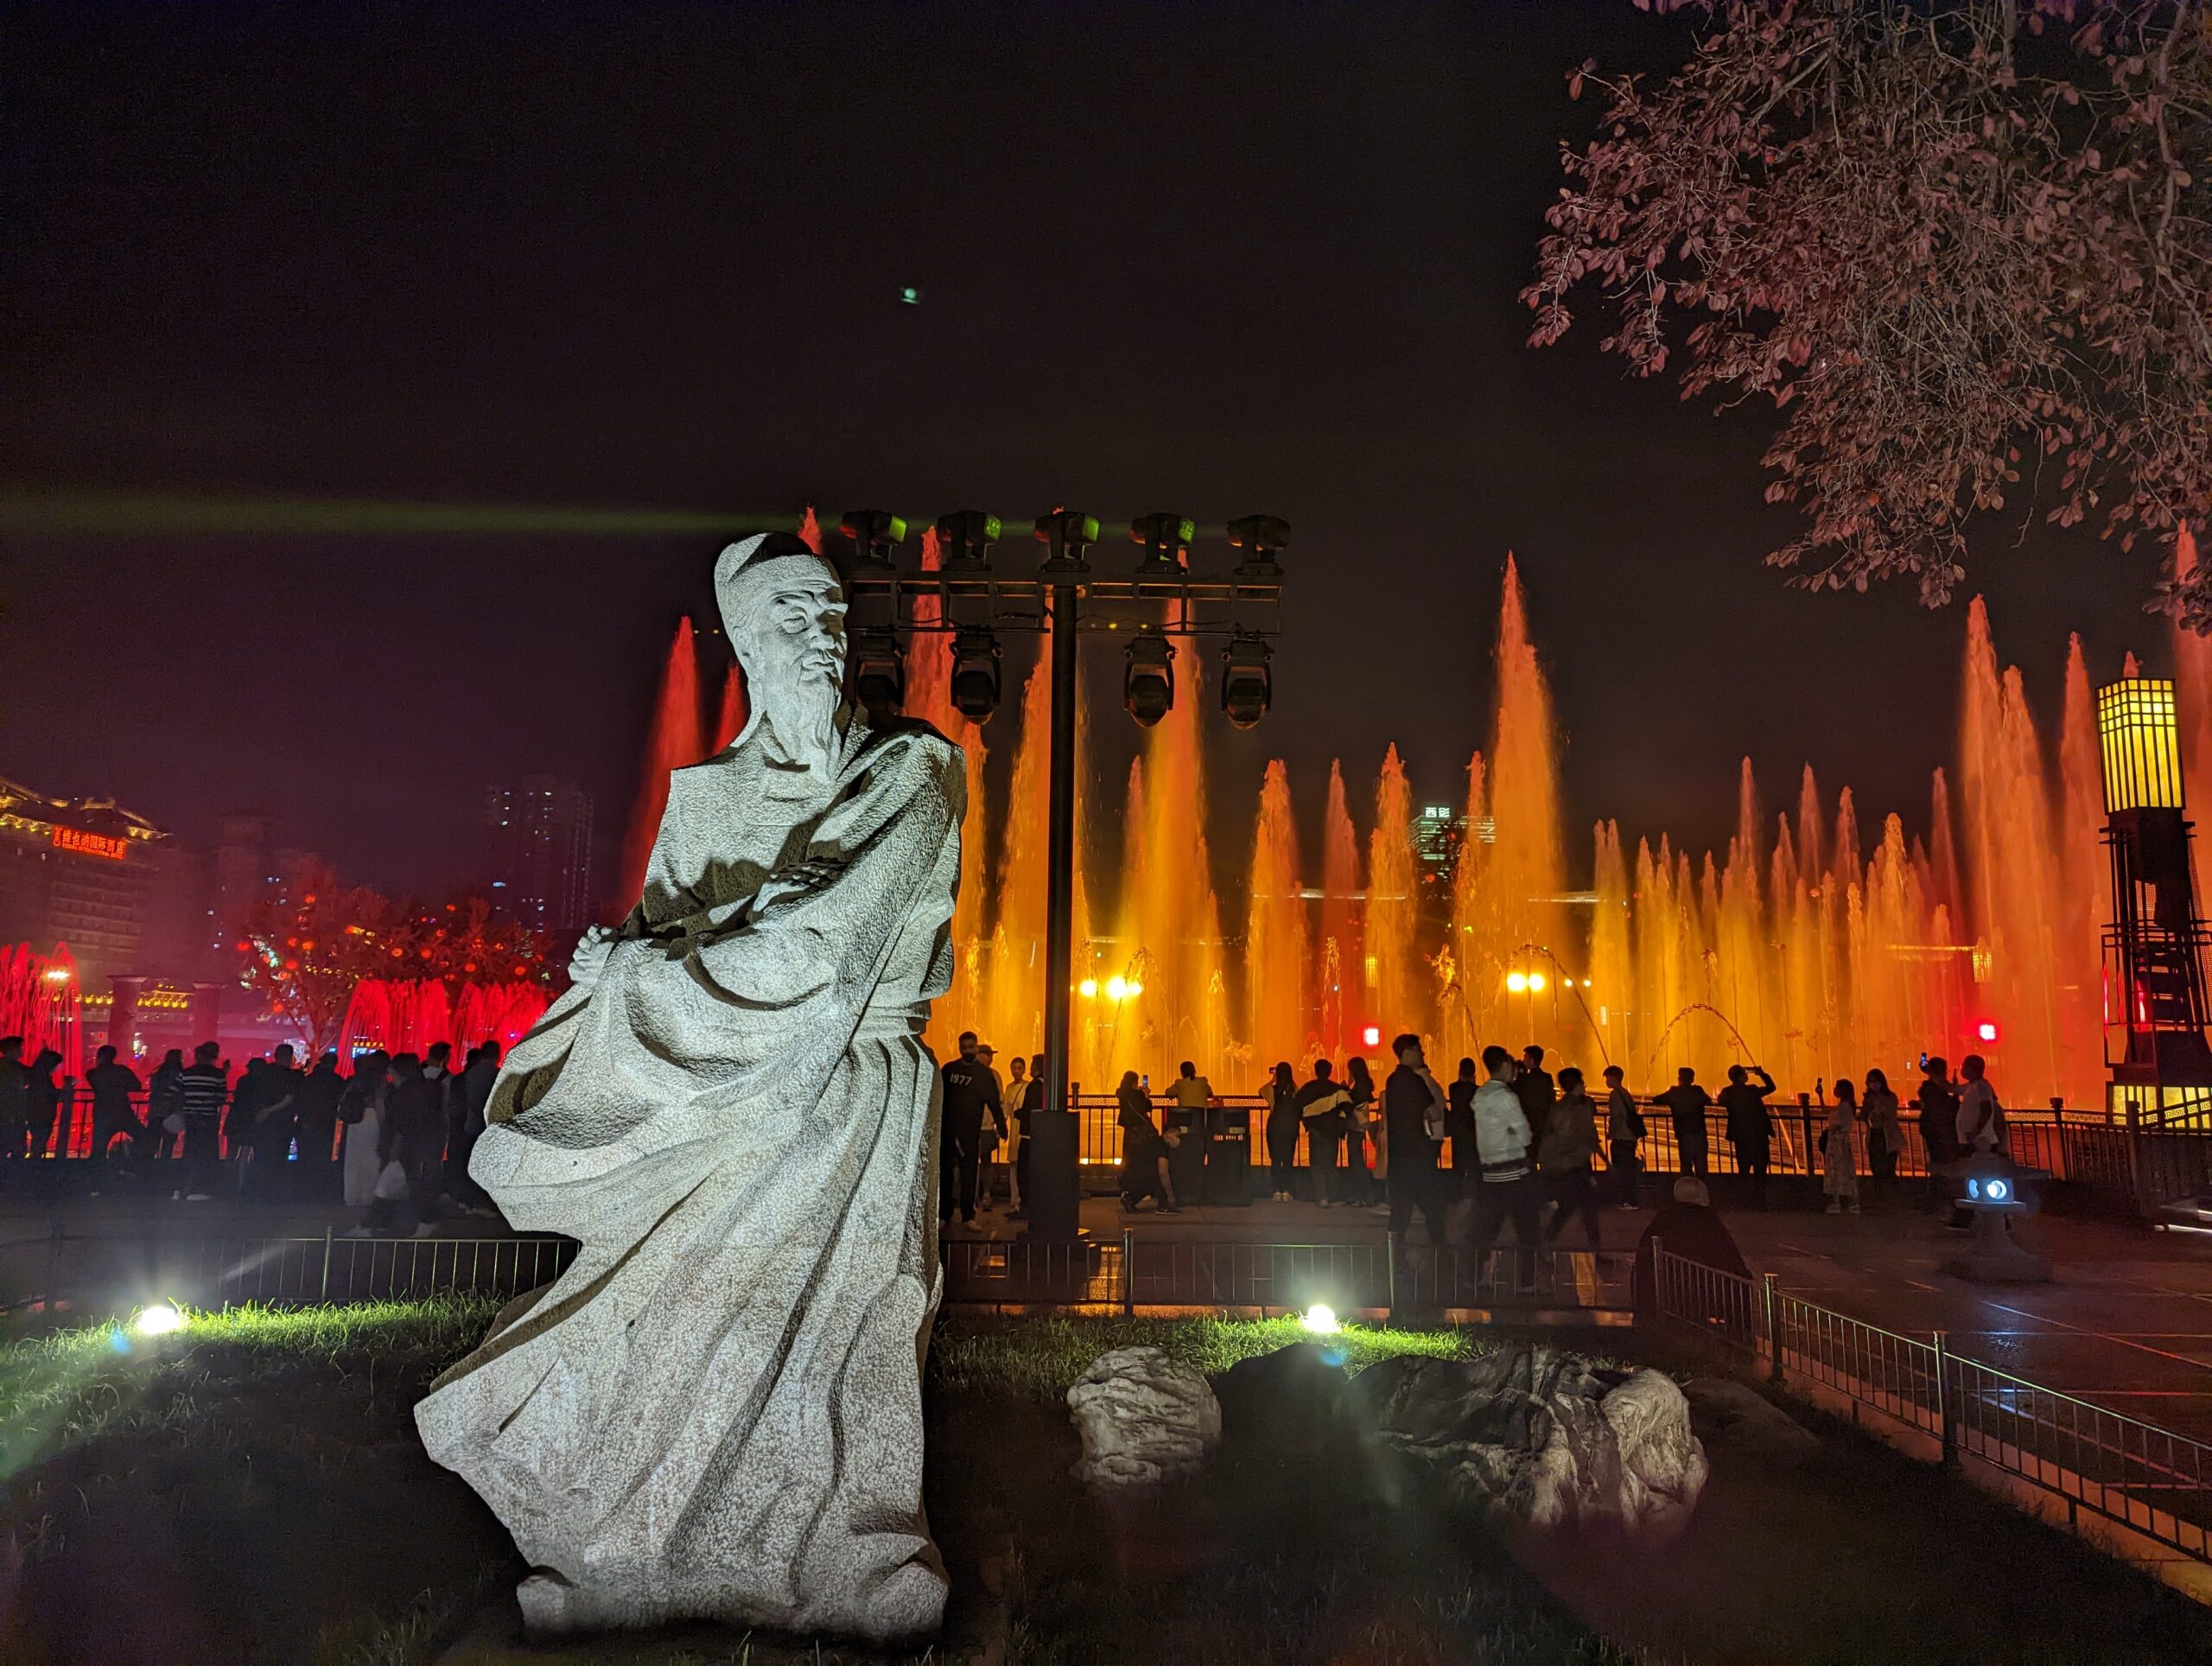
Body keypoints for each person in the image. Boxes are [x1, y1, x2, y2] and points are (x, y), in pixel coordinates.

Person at [1467, 1045, 1541, 1295]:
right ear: (1505, 1066)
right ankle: (1527, 1283)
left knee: (1486, 1230)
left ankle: (1477, 1277)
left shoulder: (1481, 1094)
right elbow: (1525, 1135)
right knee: (1528, 1229)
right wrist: (1515, 1133)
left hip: (1489, 1174)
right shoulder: (1506, 1097)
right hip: (1514, 1174)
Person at [1631, 1175, 1753, 1324]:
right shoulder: (1706, 1220)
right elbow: (1728, 1258)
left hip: (1666, 1297)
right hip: (1699, 1297)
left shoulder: (1663, 1218)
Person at [1382, 1033, 1448, 1245]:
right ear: (1407, 1052)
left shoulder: (1392, 1081)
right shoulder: (1415, 1081)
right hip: (1418, 1157)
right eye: (1419, 1049)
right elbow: (1436, 1112)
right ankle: (1442, 1255)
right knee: (1434, 1209)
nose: (1423, 1053)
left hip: (1398, 1158)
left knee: (1400, 1214)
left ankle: (1394, 1260)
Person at [938, 1031, 1001, 1228]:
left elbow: (993, 1101)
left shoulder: (983, 1075)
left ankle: (968, 1216)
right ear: (959, 1048)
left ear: (976, 1047)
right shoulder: (948, 1070)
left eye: (971, 1047)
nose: (968, 1051)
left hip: (970, 1133)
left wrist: (1002, 1125)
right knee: (945, 1175)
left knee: (969, 1176)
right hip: (947, 1131)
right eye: (964, 1048)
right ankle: (944, 1214)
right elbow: (937, 1097)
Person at [1539, 1065, 1604, 1248]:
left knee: (1571, 1204)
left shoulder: (1558, 1107)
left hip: (1561, 1163)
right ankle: (1593, 1242)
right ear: (1577, 1085)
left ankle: (1548, 1238)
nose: (1584, 1085)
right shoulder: (1579, 1108)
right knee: (1584, 1203)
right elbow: (1589, 1138)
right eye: (1582, 1082)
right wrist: (1606, 1161)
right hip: (1574, 1164)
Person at [1718, 1063, 1778, 1207]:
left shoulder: (1728, 1092)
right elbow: (1771, 1087)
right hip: (1758, 1134)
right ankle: (1761, 1200)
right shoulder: (1752, 1090)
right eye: (1745, 1073)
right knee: (1760, 1169)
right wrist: (1762, 1074)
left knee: (1744, 1169)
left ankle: (1744, 1201)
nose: (1747, 1075)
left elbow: (1721, 1101)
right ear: (1741, 1077)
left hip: (1741, 1135)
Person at [1116, 1070, 1177, 1211]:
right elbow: (1147, 1107)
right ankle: (1162, 1201)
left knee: (1135, 1165)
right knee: (1151, 1166)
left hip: (1131, 1135)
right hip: (1144, 1135)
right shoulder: (1136, 1095)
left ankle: (1131, 1195)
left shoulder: (1122, 1094)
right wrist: (1146, 1094)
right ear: (1134, 1082)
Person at [175, 1042, 229, 1201]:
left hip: (190, 1118)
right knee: (207, 1154)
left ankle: (180, 1188)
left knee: (188, 1152)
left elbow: (176, 1094)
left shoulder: (186, 1073)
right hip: (208, 1118)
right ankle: (201, 1189)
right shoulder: (218, 1075)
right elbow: (221, 1098)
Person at [86, 1044, 144, 1185]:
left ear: (100, 1057)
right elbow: (137, 1086)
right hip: (123, 1111)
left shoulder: (92, 1074)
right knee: (142, 1136)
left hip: (102, 1113)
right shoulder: (122, 1071)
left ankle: (96, 1180)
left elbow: (95, 1084)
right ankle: (135, 1165)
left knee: (99, 1148)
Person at [1294, 1059, 1351, 1205]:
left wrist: (1306, 1122)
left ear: (1315, 1071)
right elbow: (1347, 1107)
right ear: (1330, 1071)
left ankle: (1322, 1197)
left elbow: (1297, 1104)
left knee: (1317, 1164)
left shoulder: (1308, 1088)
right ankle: (1332, 1195)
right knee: (1331, 1163)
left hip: (1315, 1130)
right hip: (1332, 1130)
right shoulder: (1337, 1090)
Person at [339, 1050, 390, 1208]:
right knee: (371, 1159)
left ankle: (350, 1197)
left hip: (354, 1118)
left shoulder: (356, 1080)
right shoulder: (380, 1081)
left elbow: (343, 1100)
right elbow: (380, 1103)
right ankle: (367, 1196)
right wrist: (384, 1126)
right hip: (371, 1117)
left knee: (352, 1159)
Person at [295, 1051, 346, 1199]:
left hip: (305, 1123)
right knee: (322, 1157)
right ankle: (319, 1191)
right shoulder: (337, 1082)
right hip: (325, 1124)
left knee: (304, 1157)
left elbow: (299, 1099)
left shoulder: (308, 1080)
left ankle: (302, 1191)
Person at [1917, 1055, 1961, 1213]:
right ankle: (1938, 1201)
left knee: (1939, 1167)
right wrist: (1955, 1095)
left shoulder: (1931, 1090)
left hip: (1935, 1133)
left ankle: (1934, 1201)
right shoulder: (1934, 1091)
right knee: (1942, 1167)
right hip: (1940, 1134)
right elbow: (1947, 1110)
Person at [1652, 1066, 1713, 1176]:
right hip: (1699, 1133)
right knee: (1701, 1165)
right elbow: (1708, 1101)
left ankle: (1687, 1189)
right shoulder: (1698, 1091)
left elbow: (1656, 1100)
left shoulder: (1674, 1092)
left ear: (1679, 1078)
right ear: (1692, 1079)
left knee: (1686, 1165)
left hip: (1683, 1133)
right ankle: (1702, 1188)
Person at [1604, 1064, 1645, 1207]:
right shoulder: (1625, 1093)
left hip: (1621, 1137)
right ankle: (1629, 1199)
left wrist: (1611, 1132)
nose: (1606, 1081)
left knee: (1621, 1169)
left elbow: (1617, 1116)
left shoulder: (1615, 1094)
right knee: (1628, 1169)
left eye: (1607, 1078)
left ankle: (1626, 1200)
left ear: (1614, 1078)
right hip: (1630, 1137)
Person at [1009, 1052, 1045, 1220]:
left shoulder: (1034, 1086)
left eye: (1031, 1065)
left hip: (1028, 1135)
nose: (1030, 1068)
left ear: (1037, 1067)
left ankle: (1025, 1207)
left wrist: (1018, 1113)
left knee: (1023, 1172)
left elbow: (1030, 1108)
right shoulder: (1045, 1084)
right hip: (1039, 1134)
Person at [1338, 1056, 1377, 1205]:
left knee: (1356, 1160)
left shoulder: (1361, 1085)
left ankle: (1365, 1195)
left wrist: (1345, 1088)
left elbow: (1353, 1102)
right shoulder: (1363, 1083)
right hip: (1356, 1126)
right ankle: (1362, 1195)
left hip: (1356, 1125)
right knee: (1355, 1159)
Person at [1262, 1060, 1301, 1201]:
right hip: (1290, 1126)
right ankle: (1287, 1190)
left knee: (1276, 1158)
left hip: (1275, 1126)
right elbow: (1300, 1095)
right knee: (1288, 1158)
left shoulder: (1273, 1090)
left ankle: (1276, 1190)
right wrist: (1291, 1081)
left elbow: (1261, 1091)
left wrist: (1273, 1080)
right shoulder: (1293, 1091)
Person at [973, 1043, 1006, 1210]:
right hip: (971, 1125)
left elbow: (1000, 1100)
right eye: (988, 1054)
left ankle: (985, 1194)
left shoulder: (994, 1075)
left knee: (985, 1160)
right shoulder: (971, 1072)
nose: (991, 1058)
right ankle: (971, 1195)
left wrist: (999, 1123)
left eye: (991, 1055)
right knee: (969, 1161)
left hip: (986, 1125)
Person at [1823, 1077, 1862, 1214]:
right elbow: (1827, 1112)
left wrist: (1831, 1128)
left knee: (1837, 1171)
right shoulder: (1845, 1105)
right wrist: (1820, 1095)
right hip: (1839, 1142)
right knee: (1842, 1171)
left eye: (1837, 1087)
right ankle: (1848, 1202)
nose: (1834, 1090)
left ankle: (1841, 1203)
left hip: (1838, 1142)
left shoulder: (1845, 1106)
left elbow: (1837, 1122)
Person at [1862, 1066, 1902, 1195]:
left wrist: (1881, 1107)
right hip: (1875, 1133)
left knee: (1889, 1165)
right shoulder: (1869, 1098)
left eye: (1876, 1081)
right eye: (1871, 1082)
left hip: (1889, 1134)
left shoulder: (1890, 1096)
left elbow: (1891, 1113)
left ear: (1882, 1082)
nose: (1874, 1084)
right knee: (1876, 1165)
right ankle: (1880, 1192)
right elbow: (1863, 1114)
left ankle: (1891, 1193)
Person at [1446, 1056, 1480, 1202]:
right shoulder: (1478, 1091)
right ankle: (1474, 1193)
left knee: (1458, 1165)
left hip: (1458, 1131)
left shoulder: (1453, 1088)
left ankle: (1456, 1194)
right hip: (1473, 1131)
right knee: (1474, 1165)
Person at [1957, 1052, 2005, 1155]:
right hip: (1973, 1141)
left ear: (1971, 1068)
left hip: (1981, 1143)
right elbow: (1952, 1088)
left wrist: (1975, 1132)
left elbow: (1986, 1110)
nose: (1962, 1068)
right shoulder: (1972, 1086)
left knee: (1979, 1168)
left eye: (1964, 1065)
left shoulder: (1981, 1086)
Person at [145, 1047, 185, 1163]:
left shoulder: (158, 1073)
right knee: (168, 1146)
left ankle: (147, 1170)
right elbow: (180, 1094)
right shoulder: (180, 1075)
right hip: (171, 1113)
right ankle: (164, 1171)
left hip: (155, 1112)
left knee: (152, 1145)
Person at [25, 1049, 64, 1160]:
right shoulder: (43, 1079)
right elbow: (47, 1093)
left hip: (36, 1114)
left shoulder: (37, 1076)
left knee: (37, 1141)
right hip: (42, 1115)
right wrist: (62, 1092)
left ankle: (34, 1165)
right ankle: (35, 1167)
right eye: (57, 1064)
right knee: (39, 1142)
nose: (58, 1068)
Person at [1514, 1044, 1556, 1144]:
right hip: (1544, 1124)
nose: (1523, 1060)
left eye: (1525, 1058)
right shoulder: (1547, 1077)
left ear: (1531, 1061)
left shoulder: (1525, 1079)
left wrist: (1519, 1072)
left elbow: (1516, 1092)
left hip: (1529, 1125)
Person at [1002, 1052, 1028, 1211]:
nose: (1017, 1071)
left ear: (1024, 1070)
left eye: (1019, 1068)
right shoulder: (1009, 1088)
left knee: (1022, 1163)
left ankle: (1022, 1197)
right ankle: (1014, 1197)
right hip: (1014, 1127)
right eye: (1014, 1068)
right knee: (1013, 1164)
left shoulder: (1027, 1086)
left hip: (1022, 1127)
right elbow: (1006, 1107)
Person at [0, 1037, 28, 1159]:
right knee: (16, 1148)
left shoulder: (10, 1065)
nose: (22, 1050)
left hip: (9, 1111)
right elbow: (31, 1075)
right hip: (12, 1111)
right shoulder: (14, 1067)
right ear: (13, 1049)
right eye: (20, 1047)